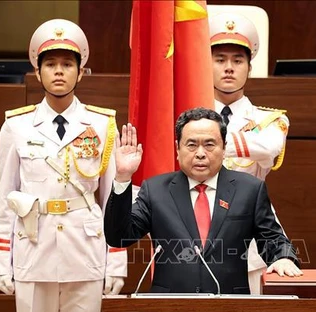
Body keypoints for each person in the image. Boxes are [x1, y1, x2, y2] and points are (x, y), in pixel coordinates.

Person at [0, 19, 127, 312]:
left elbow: (111, 202)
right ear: (37, 72)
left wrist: (116, 261)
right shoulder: (16, 125)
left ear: (81, 72)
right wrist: (3, 261)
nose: (58, 71)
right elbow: (5, 199)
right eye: (50, 64)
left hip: (85, 251)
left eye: (67, 64)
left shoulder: (102, 125)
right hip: (33, 248)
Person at [105, 107, 301, 294]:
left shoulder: (249, 189)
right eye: (191, 145)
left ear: (224, 148)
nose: (200, 153)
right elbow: (118, 236)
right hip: (170, 306)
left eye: (209, 144)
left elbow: (272, 239)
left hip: (230, 305)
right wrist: (122, 177)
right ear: (177, 148)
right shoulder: (155, 190)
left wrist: (283, 257)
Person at [209, 12, 291, 294]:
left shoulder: (270, 120)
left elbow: (268, 147)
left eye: (238, 60)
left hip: (251, 236)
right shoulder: (186, 113)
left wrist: (201, 140)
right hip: (195, 231)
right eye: (220, 60)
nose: (229, 68)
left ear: (250, 67)